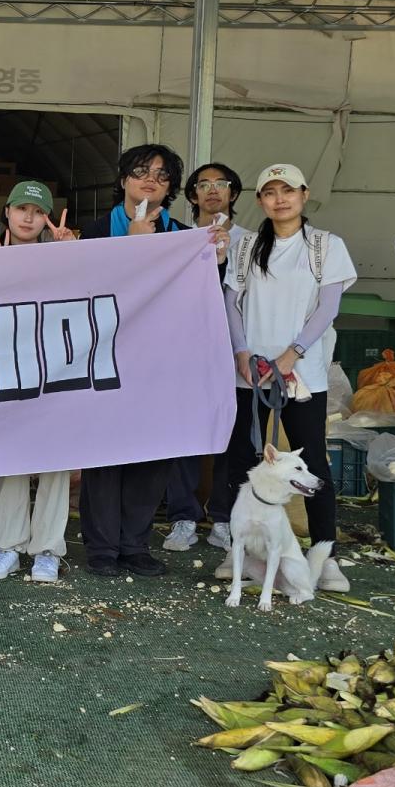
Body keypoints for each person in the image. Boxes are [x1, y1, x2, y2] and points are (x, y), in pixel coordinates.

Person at [219, 162, 358, 593]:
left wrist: (292, 353)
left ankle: (326, 554)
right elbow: (231, 301)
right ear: (260, 200)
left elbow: (328, 307)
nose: (280, 199)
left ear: (304, 194)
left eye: (288, 190)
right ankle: (238, 550)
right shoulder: (246, 247)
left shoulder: (325, 246)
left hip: (302, 373)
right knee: (242, 460)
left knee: (311, 460)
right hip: (251, 372)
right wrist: (242, 352)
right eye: (270, 192)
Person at [80, 144, 188, 579]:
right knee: (104, 452)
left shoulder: (183, 237)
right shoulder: (94, 231)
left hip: (161, 361)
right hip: (104, 356)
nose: (150, 181)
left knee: (152, 452)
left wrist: (215, 260)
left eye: (162, 176)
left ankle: (135, 544)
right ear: (124, 179)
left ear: (170, 188)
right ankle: (102, 547)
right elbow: (80, 290)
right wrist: (131, 246)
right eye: (142, 171)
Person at [0, 182, 78, 584]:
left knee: (55, 459)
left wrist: (72, 255)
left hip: (56, 369)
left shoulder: (65, 256)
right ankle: (7, 545)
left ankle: (48, 549)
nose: (29, 218)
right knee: (11, 456)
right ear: (8, 212)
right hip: (7, 369)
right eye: (22, 209)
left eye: (38, 211)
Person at [180, 162, 247, 553]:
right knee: (185, 433)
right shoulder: (178, 239)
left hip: (233, 350)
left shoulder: (251, 241)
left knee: (231, 433)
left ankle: (224, 517)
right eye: (203, 184)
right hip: (186, 348)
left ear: (233, 193)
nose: (212, 190)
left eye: (221, 184)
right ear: (193, 195)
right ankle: (183, 516)